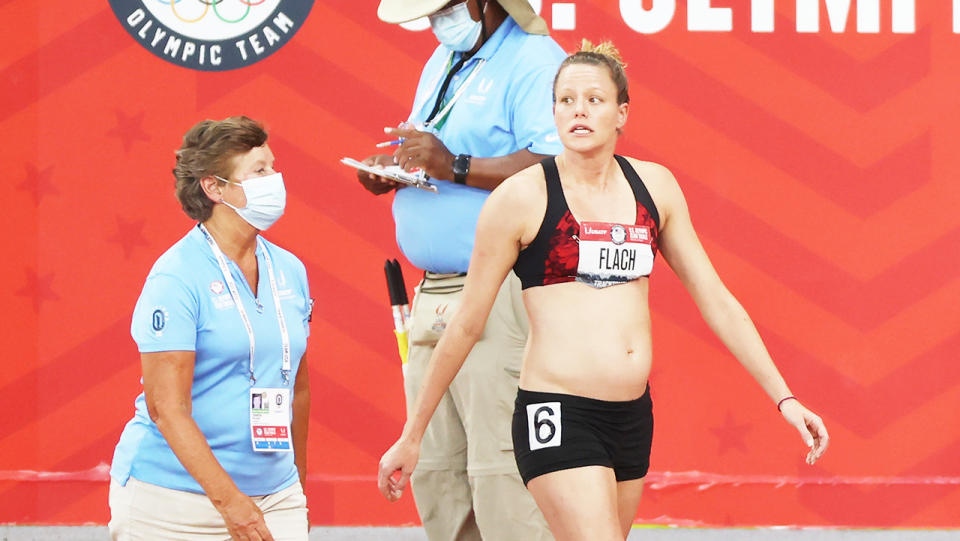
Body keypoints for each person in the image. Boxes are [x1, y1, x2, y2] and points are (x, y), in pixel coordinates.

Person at [377, 41, 830, 540]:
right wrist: (412, 435)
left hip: (632, 416)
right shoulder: (521, 197)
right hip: (557, 411)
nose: (579, 111)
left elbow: (716, 300)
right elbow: (465, 323)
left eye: (594, 99)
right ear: (552, 112)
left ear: (622, 112)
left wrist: (786, 400)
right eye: (566, 100)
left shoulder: (654, 188)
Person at [358, 1, 565, 539]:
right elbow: (431, 154)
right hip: (435, 291)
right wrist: (396, 171)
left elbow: (560, 165)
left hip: (500, 289)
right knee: (437, 470)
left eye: (443, 9)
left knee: (503, 470)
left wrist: (454, 166)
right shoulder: (444, 57)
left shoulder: (535, 60)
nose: (434, 22)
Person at [108, 116, 313, 541]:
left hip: (276, 496)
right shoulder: (176, 278)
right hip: (173, 502)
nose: (274, 180)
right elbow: (168, 409)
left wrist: (297, 487)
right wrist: (231, 503)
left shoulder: (290, 270)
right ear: (214, 187)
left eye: (273, 168)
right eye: (259, 172)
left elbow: (298, 386)